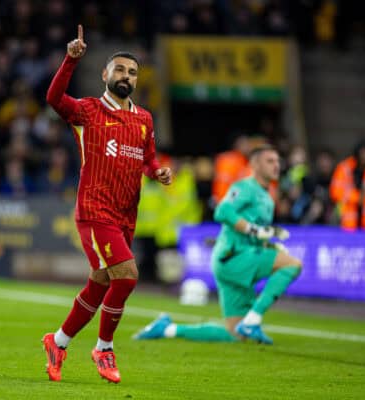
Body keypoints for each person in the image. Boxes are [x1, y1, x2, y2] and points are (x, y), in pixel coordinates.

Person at [41, 25, 172, 383]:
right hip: (95, 210)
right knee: (127, 277)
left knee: (101, 281)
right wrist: (70, 60)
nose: (126, 76)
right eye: (119, 70)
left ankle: (59, 341)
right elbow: (54, 99)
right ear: (105, 74)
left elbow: (147, 159)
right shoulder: (87, 111)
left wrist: (157, 172)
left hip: (125, 214)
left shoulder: (143, 119)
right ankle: (104, 347)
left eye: (132, 72)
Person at [134, 145, 301, 345]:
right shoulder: (245, 187)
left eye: (278, 161)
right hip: (234, 256)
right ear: (255, 165)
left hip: (238, 258)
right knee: (293, 264)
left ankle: (168, 329)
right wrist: (256, 231)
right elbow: (222, 212)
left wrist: (269, 246)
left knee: (235, 334)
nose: (276, 165)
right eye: (270, 161)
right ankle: (253, 319)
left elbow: (252, 229)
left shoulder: (267, 197)